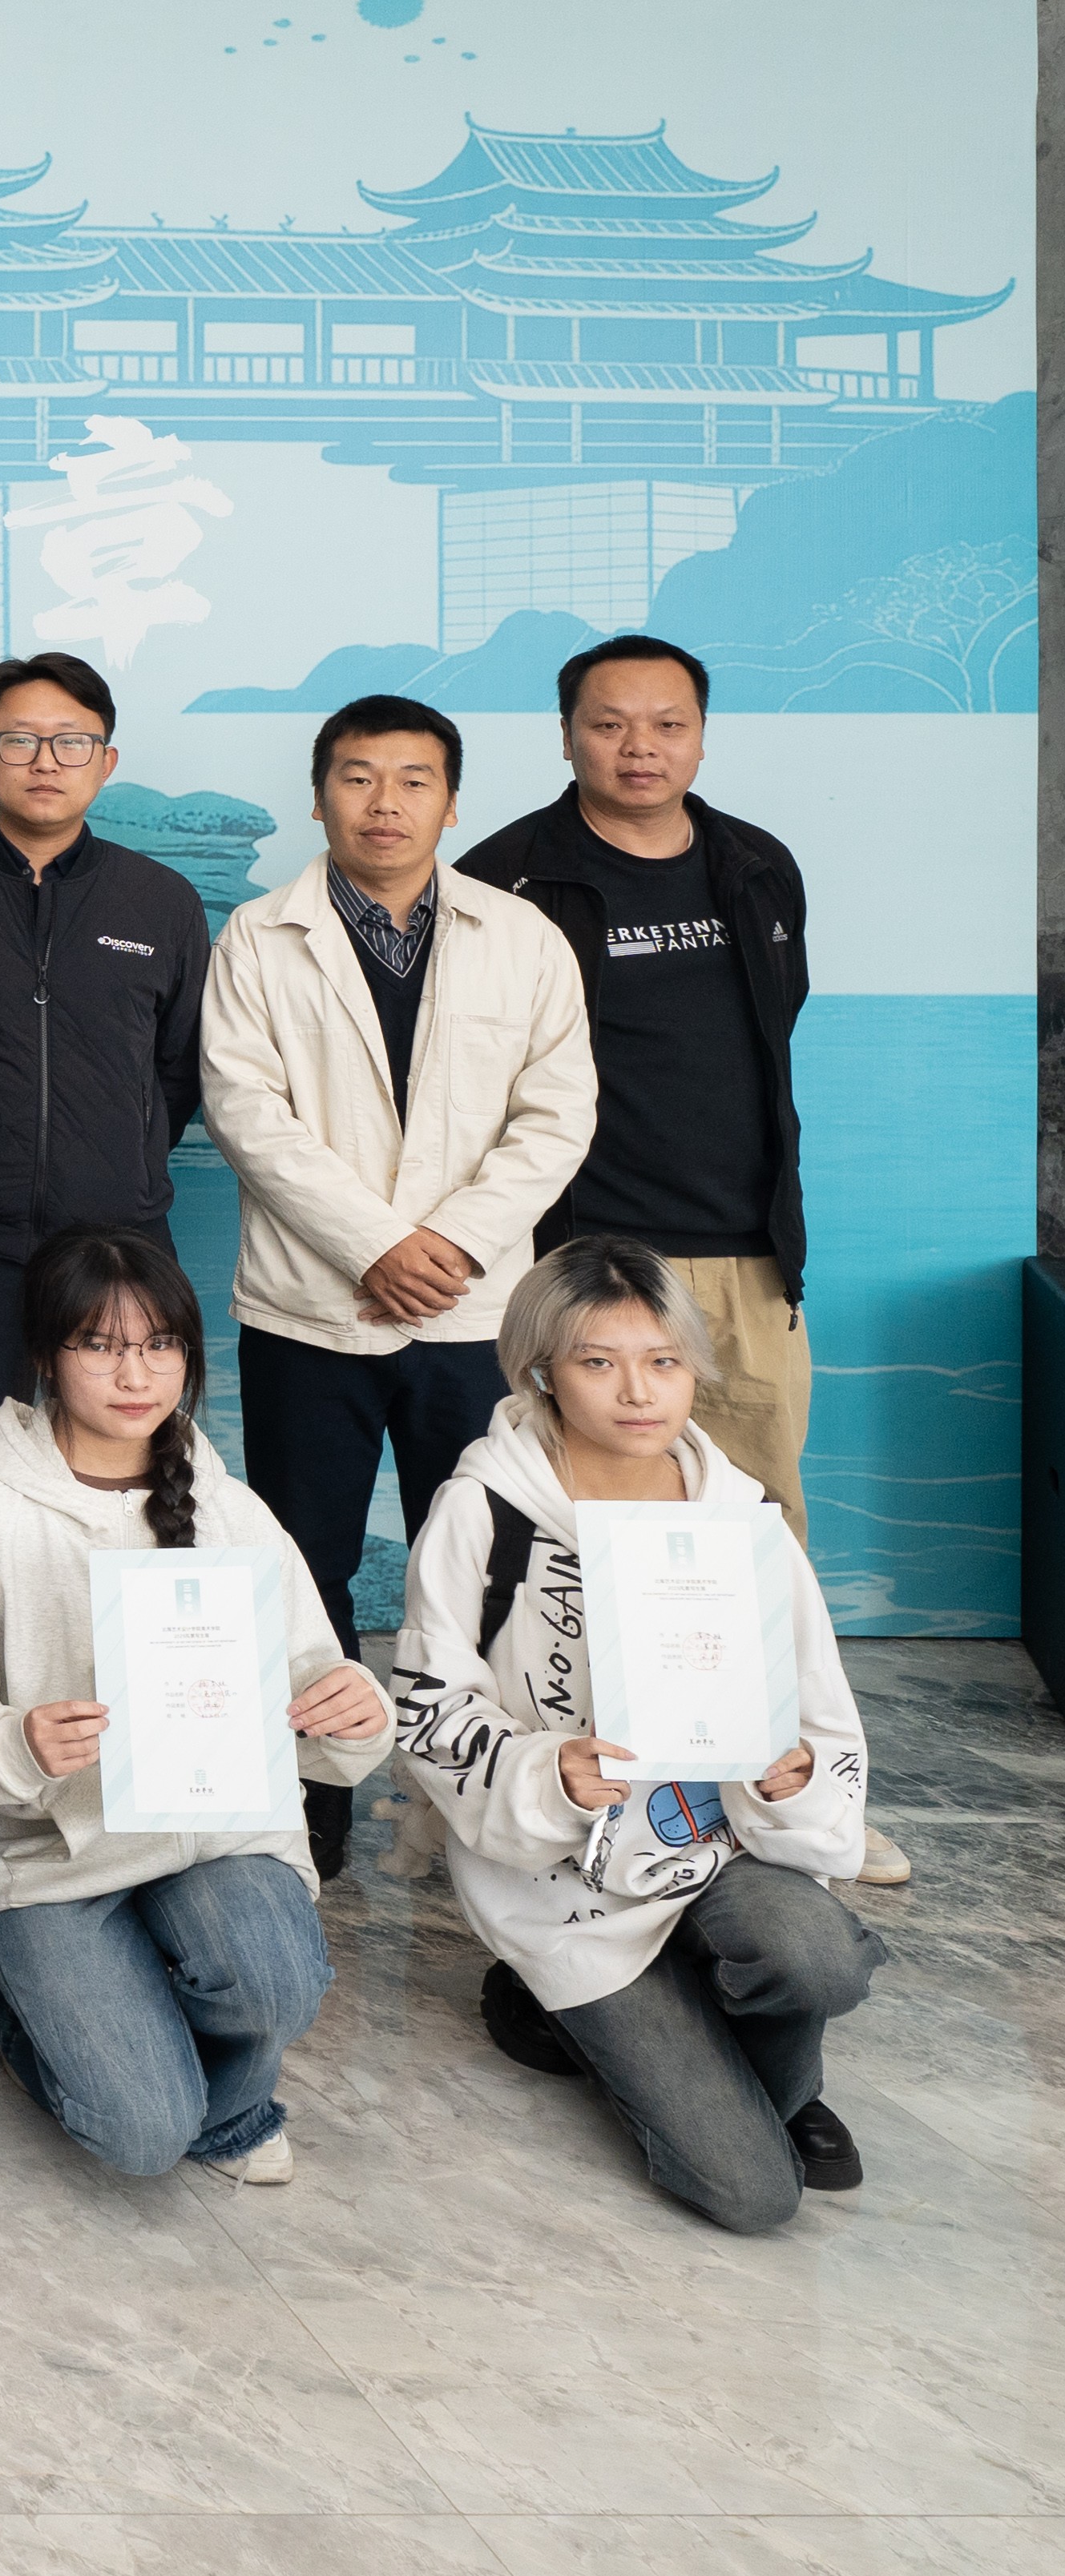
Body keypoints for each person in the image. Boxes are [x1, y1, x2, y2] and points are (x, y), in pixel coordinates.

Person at [459, 637, 900, 1883]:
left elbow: (774, 1030)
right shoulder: (506, 876)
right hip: (581, 1260)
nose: (638, 747)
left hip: (745, 1256)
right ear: (564, 735)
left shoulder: (756, 866)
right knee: (572, 1546)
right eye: (609, 724)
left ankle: (796, 1801)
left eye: (666, 723)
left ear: (701, 734)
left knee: (761, 1538)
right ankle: (544, 1795)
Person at [391, 1238, 882, 2233]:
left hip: (722, 1843)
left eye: (663, 1360)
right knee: (752, 2195)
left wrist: (794, 1781)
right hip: (565, 1876)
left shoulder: (741, 1518)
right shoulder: (487, 1509)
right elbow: (428, 1707)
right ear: (542, 1370)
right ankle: (558, 2007)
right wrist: (546, 1771)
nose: (637, 1391)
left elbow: (822, 1709)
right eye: (597, 1361)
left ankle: (754, 2063)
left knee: (818, 1959)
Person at [0, 1224, 391, 2189]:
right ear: (45, 1354)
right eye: (99, 1345)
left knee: (274, 1981)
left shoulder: (230, 1510)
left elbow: (309, 1665)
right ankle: (29, 2019)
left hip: (214, 1833)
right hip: (48, 1855)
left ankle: (232, 2109)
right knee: (140, 2135)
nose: (135, 1375)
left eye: (160, 1345)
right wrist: (14, 1739)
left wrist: (352, 1705)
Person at [201, 694, 593, 1879]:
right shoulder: (258, 936)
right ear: (319, 796)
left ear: (451, 802)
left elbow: (556, 1112)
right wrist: (373, 1244)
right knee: (304, 1561)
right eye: (358, 777)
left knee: (474, 1559)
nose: (385, 802)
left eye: (413, 779)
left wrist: (453, 1245)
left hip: (471, 1309)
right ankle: (312, 1794)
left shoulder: (521, 936)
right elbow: (245, 1110)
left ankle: (466, 1795)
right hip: (309, 1305)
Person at [0, 650, 208, 1511]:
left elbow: (178, 1068)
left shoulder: (160, 901)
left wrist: (122, 1158)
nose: (45, 761)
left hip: (122, 1246)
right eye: (18, 740)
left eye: (71, 741)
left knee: (128, 1481)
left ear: (107, 760)